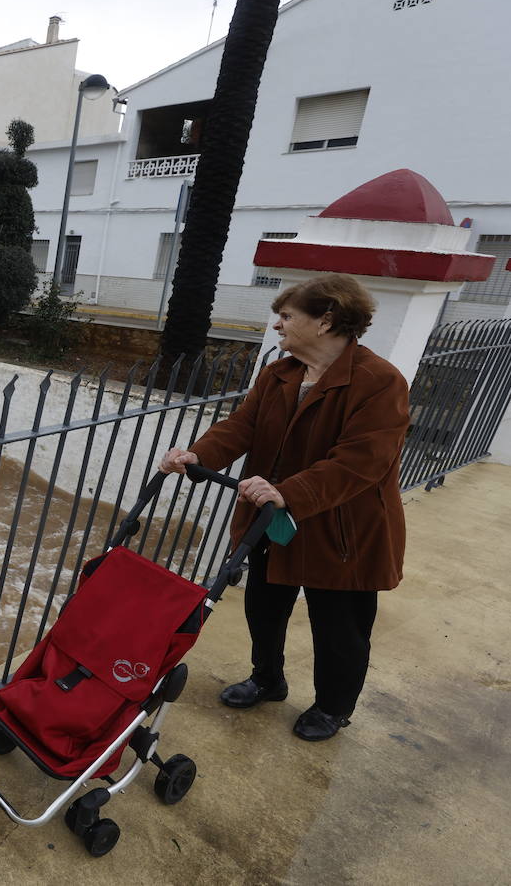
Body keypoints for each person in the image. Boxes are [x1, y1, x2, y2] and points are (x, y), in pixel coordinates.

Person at [159, 274, 409, 741]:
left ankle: (333, 707)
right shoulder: (281, 372)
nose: (277, 325)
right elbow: (243, 426)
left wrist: (288, 492)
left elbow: (361, 463)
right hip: (274, 517)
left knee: (338, 625)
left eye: (288, 316)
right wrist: (199, 454)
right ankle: (267, 679)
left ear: (326, 320)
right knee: (263, 605)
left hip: (341, 529)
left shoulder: (380, 382)